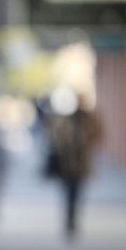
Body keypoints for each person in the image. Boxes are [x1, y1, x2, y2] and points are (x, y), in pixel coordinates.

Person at [45, 92, 102, 240]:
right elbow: (56, 134)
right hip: (67, 161)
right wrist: (63, 141)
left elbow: (98, 133)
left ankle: (74, 219)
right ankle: (69, 219)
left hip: (81, 161)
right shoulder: (67, 118)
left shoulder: (90, 118)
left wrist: (89, 141)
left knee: (77, 191)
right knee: (68, 191)